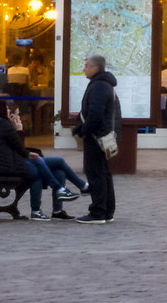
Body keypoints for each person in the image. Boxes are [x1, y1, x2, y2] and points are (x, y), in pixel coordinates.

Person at [70, 54, 117, 225]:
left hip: (96, 137)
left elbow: (95, 114)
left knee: (96, 174)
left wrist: (83, 130)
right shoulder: (103, 84)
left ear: (95, 68)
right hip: (101, 135)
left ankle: (97, 212)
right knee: (103, 173)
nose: (84, 69)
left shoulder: (99, 86)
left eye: (86, 66)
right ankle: (107, 211)